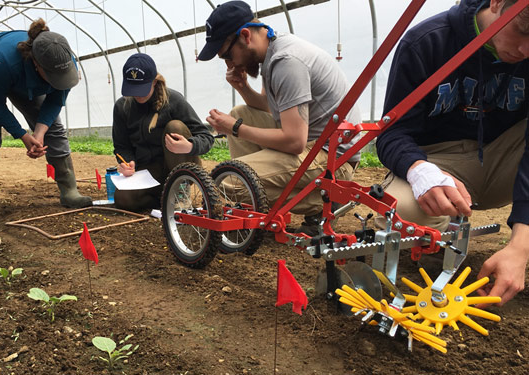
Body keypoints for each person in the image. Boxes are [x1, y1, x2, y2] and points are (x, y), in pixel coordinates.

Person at [376, 0, 529, 306]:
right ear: (497, 3)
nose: (526, 50)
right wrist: (420, 171)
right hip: (440, 162)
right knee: (404, 211)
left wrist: (520, 246)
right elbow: (392, 132)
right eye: (522, 30)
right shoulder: (427, 42)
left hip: (506, 160)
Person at [198, 1, 362, 234]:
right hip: (313, 143)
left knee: (230, 182)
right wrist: (243, 87)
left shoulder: (286, 61)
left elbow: (294, 141)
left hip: (333, 158)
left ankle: (328, 200)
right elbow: (274, 108)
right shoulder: (273, 50)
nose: (229, 63)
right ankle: (258, 204)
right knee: (240, 114)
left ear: (245, 36)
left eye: (227, 54)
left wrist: (235, 129)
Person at [0, 18, 91, 229]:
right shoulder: (6, 60)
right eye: (52, 76)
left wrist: (39, 133)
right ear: (36, 64)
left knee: (54, 129)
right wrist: (22, 135)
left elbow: (56, 99)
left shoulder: (63, 62)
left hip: (22, 79)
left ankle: (69, 190)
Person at [112, 53, 214, 211]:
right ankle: (164, 197)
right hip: (148, 173)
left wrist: (189, 146)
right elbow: (121, 145)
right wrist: (127, 161)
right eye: (133, 89)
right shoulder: (122, 106)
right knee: (123, 199)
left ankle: (180, 191)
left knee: (175, 127)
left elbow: (207, 137)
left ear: (155, 82)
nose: (138, 95)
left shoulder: (173, 100)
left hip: (177, 164)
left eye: (142, 89)